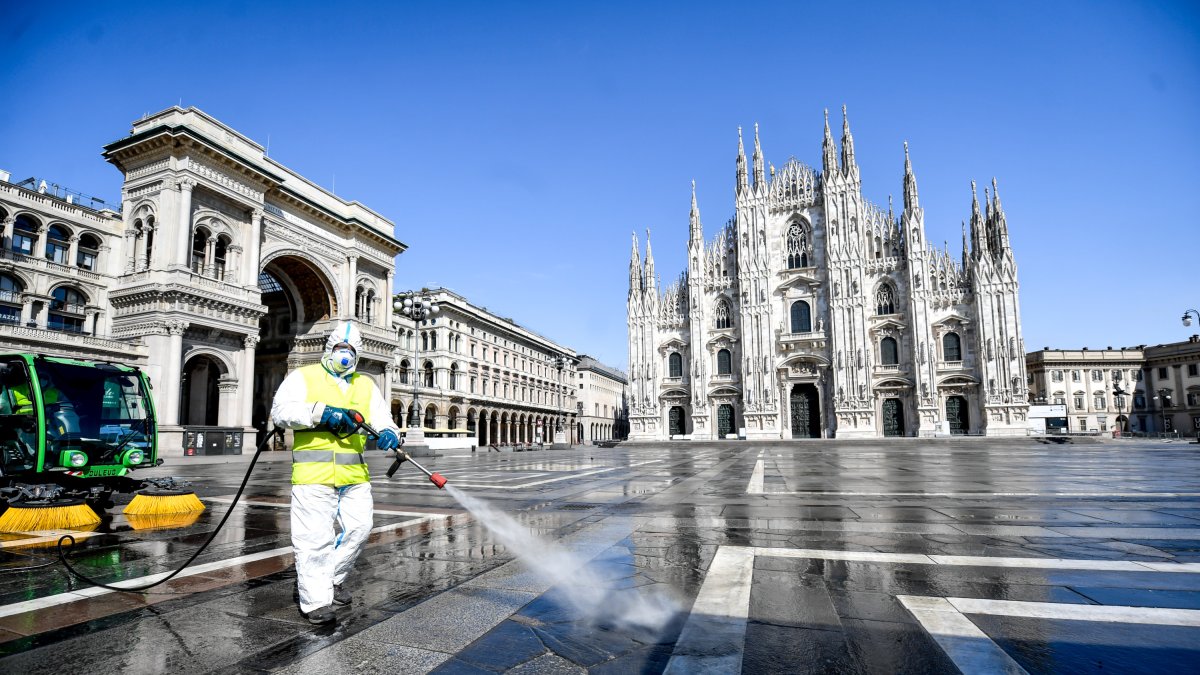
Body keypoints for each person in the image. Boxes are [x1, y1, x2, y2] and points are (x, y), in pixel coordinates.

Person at [270, 321, 401, 625]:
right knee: (314, 539)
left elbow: (384, 419)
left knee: (360, 529)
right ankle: (315, 601)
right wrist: (320, 413)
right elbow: (280, 412)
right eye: (340, 349)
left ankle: (331, 579)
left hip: (355, 476)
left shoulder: (365, 384)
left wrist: (388, 433)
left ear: (358, 354)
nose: (345, 355)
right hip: (313, 476)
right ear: (329, 349)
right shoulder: (303, 376)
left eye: (351, 351)